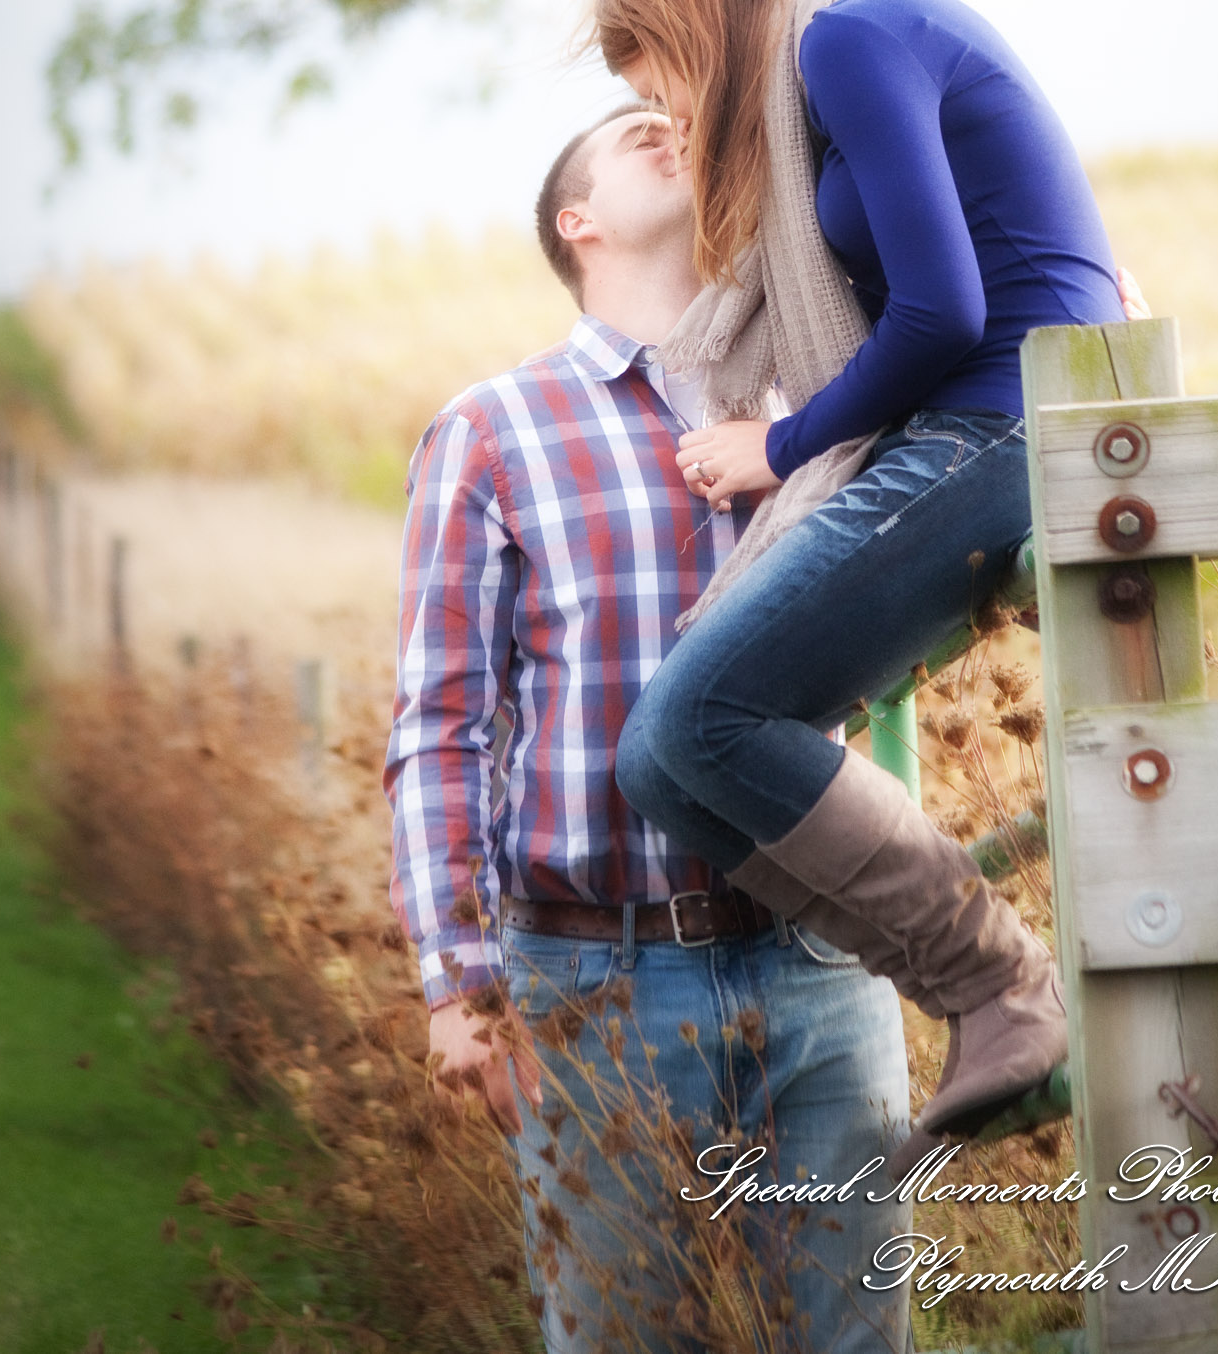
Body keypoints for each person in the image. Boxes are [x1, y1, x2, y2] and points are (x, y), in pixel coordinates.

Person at [586, 0, 1145, 1173]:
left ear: (690, 20)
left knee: (692, 724)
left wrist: (778, 449)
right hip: (962, 425)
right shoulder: (826, 57)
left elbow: (945, 310)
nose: (667, 109)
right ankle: (989, 999)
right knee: (664, 763)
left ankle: (1005, 991)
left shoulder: (846, 34)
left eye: (656, 74)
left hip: (1009, 418)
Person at [383, 101, 918, 1354]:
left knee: (857, 1342)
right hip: (598, 982)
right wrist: (456, 983)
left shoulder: (815, 408)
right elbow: (442, 719)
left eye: (677, 117)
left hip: (822, 964)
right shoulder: (492, 433)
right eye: (631, 131)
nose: (667, 124)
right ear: (578, 224)